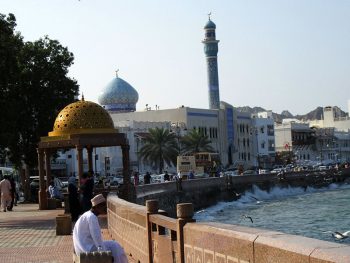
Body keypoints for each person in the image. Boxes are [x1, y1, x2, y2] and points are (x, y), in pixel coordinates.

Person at [73, 194, 128, 263]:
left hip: (80, 248)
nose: (105, 208)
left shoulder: (86, 215)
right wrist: (105, 255)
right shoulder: (92, 217)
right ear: (97, 207)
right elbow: (97, 238)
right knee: (115, 246)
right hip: (87, 249)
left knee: (113, 245)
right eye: (103, 206)